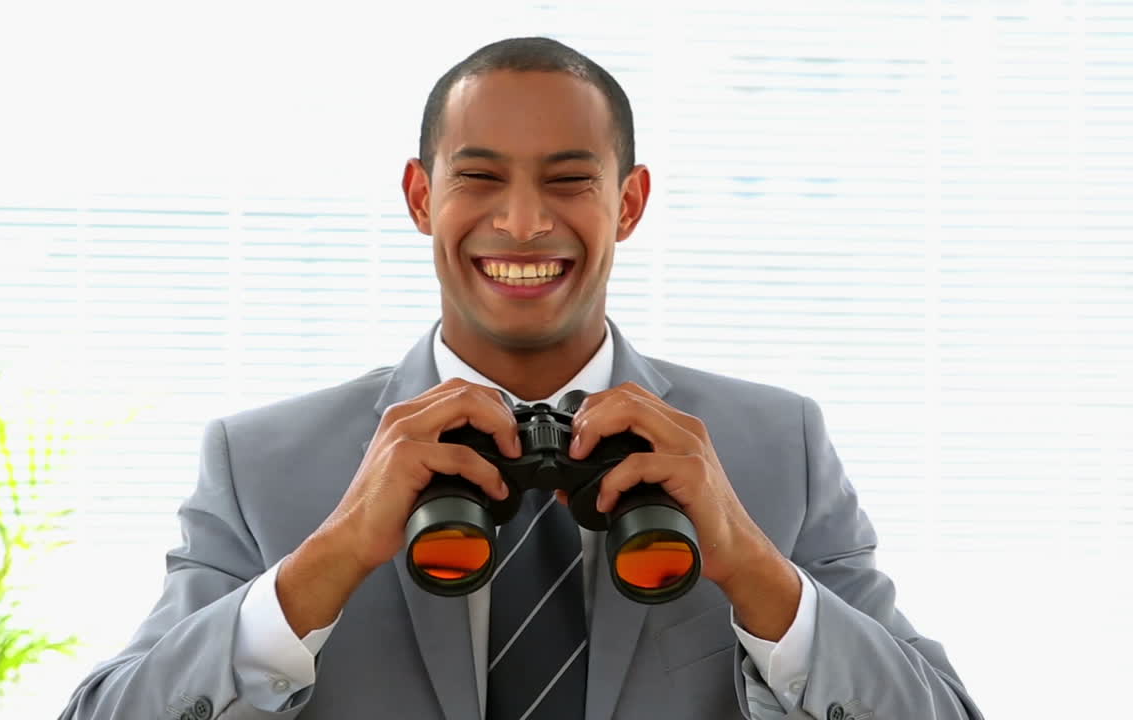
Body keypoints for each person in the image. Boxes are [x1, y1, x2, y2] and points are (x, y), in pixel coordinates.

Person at [58, 37, 983, 720]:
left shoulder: (776, 449)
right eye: (482, 178)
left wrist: (753, 569)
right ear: (422, 198)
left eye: (570, 181)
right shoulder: (262, 463)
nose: (525, 221)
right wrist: (323, 564)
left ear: (630, 202)